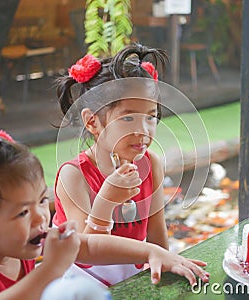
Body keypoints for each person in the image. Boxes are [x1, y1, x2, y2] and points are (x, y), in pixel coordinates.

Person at [0, 123, 209, 299]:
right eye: (22, 213)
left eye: (42, 201)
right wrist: (51, 268)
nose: (42, 217)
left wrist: (153, 252)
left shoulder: (20, 240)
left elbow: (85, 245)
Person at [53, 44, 170, 285]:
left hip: (133, 276)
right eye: (127, 118)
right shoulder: (74, 176)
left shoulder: (152, 164)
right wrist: (105, 202)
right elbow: (84, 254)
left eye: (150, 116)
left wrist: (167, 265)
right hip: (81, 282)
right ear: (92, 121)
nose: (143, 130)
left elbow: (157, 238)